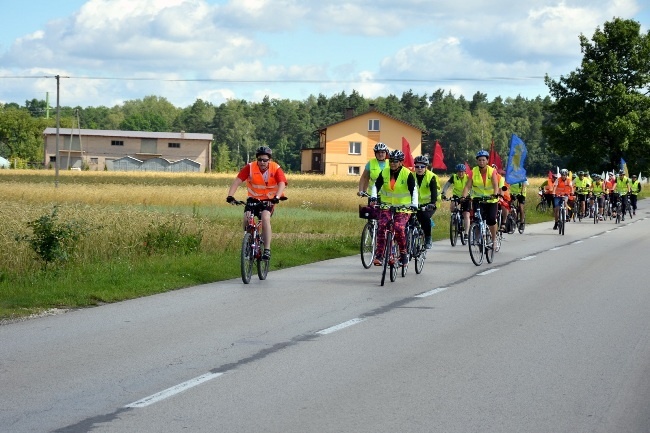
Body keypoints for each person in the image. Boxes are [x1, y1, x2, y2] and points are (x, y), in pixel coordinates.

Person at [226, 146, 287, 261]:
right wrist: (230, 196)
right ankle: (249, 240)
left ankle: (267, 250)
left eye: (265, 160)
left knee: (265, 217)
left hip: (269, 199)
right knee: (246, 217)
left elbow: (282, 183)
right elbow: (237, 181)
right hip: (253, 199)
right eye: (260, 160)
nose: (262, 162)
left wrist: (277, 197)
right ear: (257, 159)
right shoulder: (250, 167)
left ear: (269, 160)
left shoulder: (275, 168)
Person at [370, 149, 418, 266]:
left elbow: (414, 190)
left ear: (401, 162)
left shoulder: (407, 174)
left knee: (399, 228)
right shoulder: (385, 172)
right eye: (391, 161)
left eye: (395, 161)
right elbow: (376, 186)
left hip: (403, 208)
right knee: (381, 226)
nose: (392, 163)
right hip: (387, 206)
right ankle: (379, 256)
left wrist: (414, 204)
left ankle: (403, 254)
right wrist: (373, 197)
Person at [461, 150, 501, 247]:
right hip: (478, 200)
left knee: (491, 220)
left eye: (483, 160)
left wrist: (495, 194)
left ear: (487, 161)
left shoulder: (492, 171)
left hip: (491, 200)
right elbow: (467, 186)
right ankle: (478, 238)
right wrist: (463, 196)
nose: (481, 162)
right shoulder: (473, 171)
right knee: (478, 219)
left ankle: (494, 239)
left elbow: (495, 185)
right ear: (477, 161)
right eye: (479, 160)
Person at [413, 155, 438, 249]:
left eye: (422, 166)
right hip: (415, 203)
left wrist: (432, 203)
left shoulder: (431, 177)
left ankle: (428, 238)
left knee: (425, 217)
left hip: (429, 203)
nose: (419, 169)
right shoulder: (411, 176)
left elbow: (434, 192)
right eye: (417, 166)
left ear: (426, 167)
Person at [442, 163, 470, 239]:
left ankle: (466, 233)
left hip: (466, 196)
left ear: (465, 172)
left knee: (466, 215)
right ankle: (454, 218)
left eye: (462, 172)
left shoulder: (468, 178)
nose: (460, 173)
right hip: (457, 195)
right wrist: (443, 193)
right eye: (459, 171)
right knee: (452, 207)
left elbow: (473, 186)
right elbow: (447, 185)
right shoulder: (454, 177)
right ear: (457, 172)